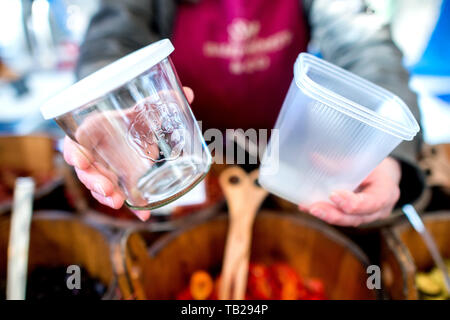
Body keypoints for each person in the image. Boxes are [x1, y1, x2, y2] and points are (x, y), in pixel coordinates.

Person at [63, 0, 425, 226]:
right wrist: (110, 104)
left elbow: (365, 45)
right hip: (176, 161)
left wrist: (385, 153)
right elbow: (111, 41)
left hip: (281, 160)